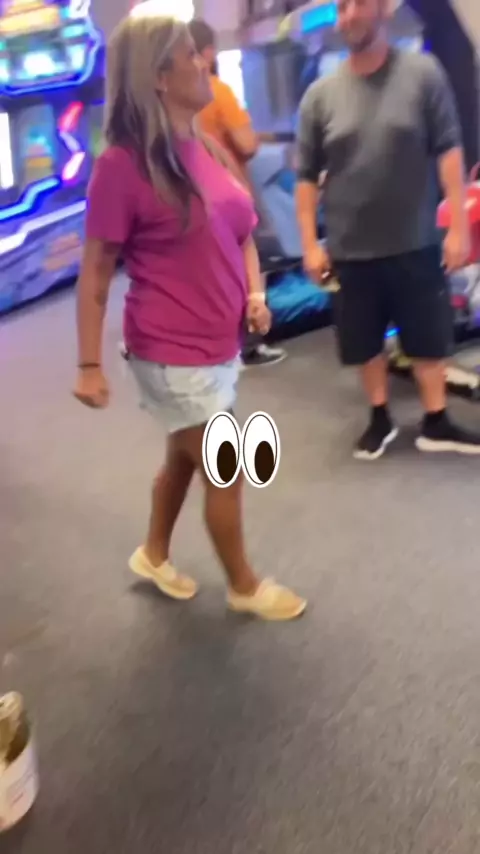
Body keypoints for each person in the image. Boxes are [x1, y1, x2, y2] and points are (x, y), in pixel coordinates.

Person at [73, 9, 305, 621]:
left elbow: (242, 232)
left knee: (183, 456)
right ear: (158, 75)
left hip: (217, 341)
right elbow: (96, 273)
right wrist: (89, 365)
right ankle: (245, 585)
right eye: (189, 54)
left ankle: (153, 553)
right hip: (169, 348)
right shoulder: (121, 167)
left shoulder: (202, 146)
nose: (204, 61)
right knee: (223, 464)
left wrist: (255, 295)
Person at [296, 0, 480, 460]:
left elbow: (449, 151)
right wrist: (309, 245)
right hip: (350, 247)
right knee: (363, 343)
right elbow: (305, 177)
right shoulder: (320, 96)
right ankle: (379, 416)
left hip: (415, 238)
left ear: (382, 9)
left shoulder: (423, 74)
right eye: (341, 7)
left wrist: (458, 225)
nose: (348, 16)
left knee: (429, 337)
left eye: (358, 4)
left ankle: (436, 420)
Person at [189, 17, 287, 369]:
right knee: (249, 264)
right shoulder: (218, 90)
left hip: (195, 200)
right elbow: (246, 144)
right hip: (231, 196)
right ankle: (252, 344)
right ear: (208, 52)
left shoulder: (176, 99)